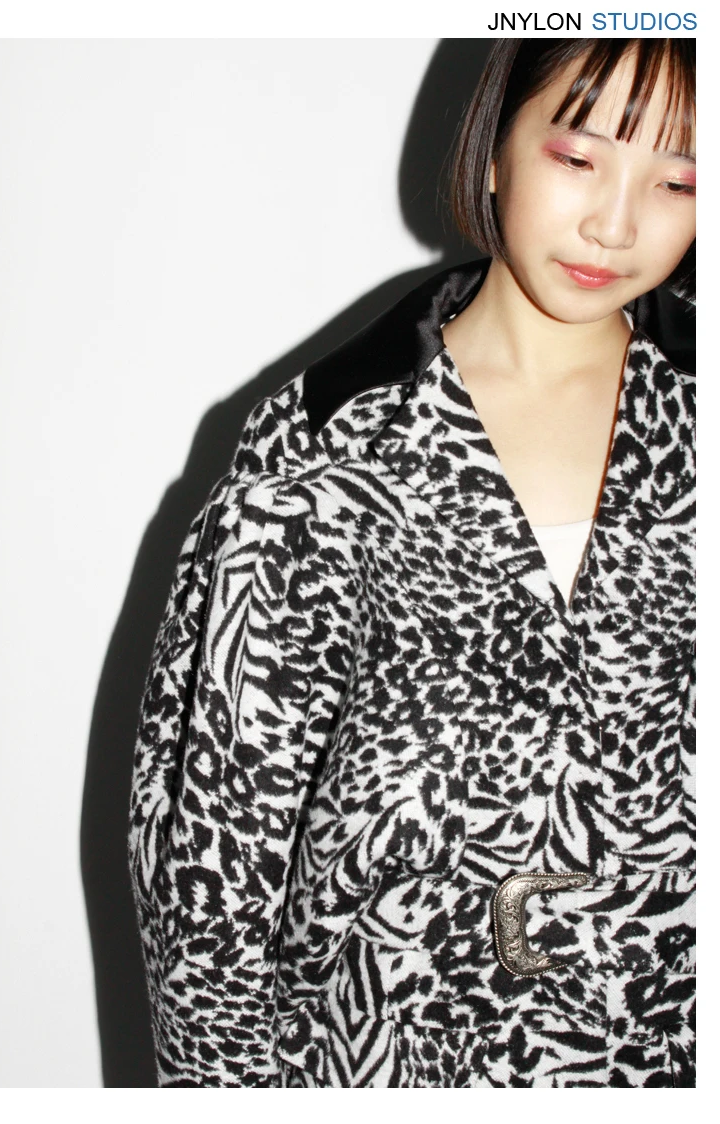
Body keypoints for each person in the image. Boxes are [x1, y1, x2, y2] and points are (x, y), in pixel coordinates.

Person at [128, 37, 696, 1087]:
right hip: (379, 1054)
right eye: (579, 158)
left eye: (678, 181)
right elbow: (214, 850)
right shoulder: (320, 450)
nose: (616, 224)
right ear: (496, 147)